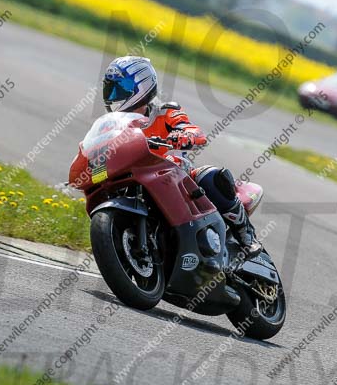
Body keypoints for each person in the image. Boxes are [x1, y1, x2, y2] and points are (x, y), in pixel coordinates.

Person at [101, 55, 261, 257]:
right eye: (111, 88)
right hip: (134, 178)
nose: (115, 94)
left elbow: (192, 130)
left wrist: (183, 135)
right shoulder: (111, 126)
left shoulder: (164, 111)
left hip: (175, 176)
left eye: (121, 87)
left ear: (142, 86)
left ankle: (245, 234)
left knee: (209, 175)